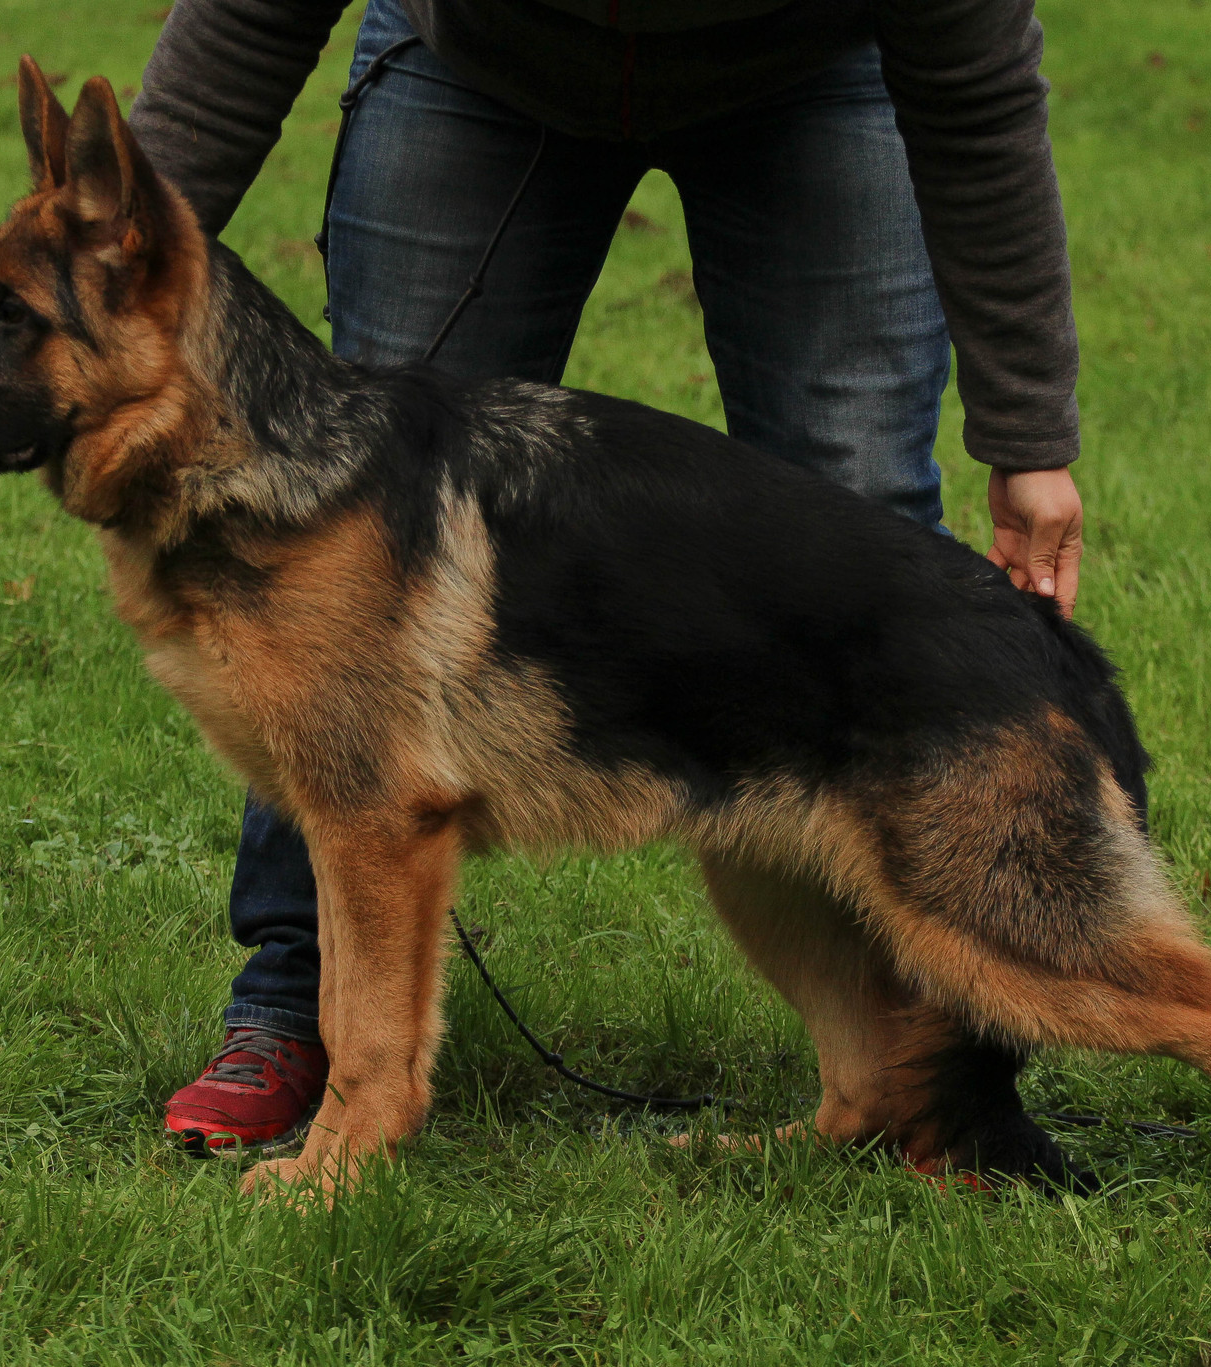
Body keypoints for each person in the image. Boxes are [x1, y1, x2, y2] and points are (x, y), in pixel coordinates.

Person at [130, 0, 1089, 1162]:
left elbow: (978, 93)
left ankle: (927, 1075)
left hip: (811, 68)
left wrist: (1028, 434)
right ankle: (296, 1005)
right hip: (482, 61)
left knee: (859, 503)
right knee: (341, 542)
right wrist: (109, 250)